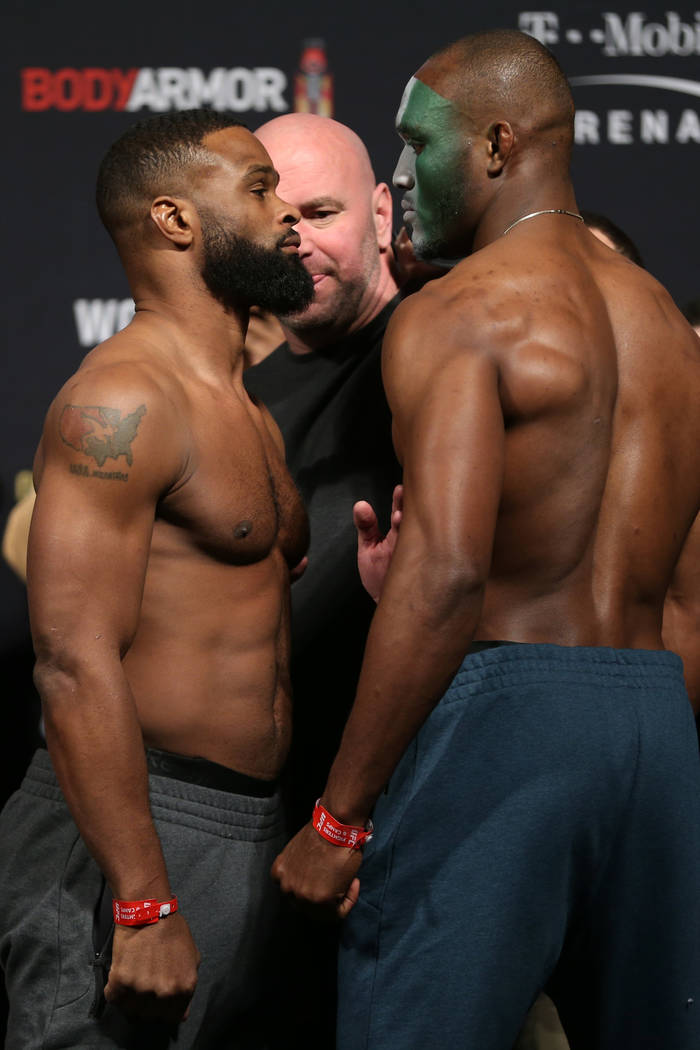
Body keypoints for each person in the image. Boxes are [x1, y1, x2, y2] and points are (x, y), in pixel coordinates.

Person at [272, 29, 700, 1050]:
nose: (403, 179)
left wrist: (338, 821)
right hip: (659, 727)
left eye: (419, 148)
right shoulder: (669, 331)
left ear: (500, 145)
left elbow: (447, 575)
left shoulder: (459, 313)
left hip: (508, 711)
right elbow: (688, 602)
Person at [0, 108, 315, 1050]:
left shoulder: (244, 405)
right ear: (176, 221)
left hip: (239, 824)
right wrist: (141, 899)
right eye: (260, 189)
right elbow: (70, 663)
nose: (287, 211)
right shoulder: (122, 399)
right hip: (125, 832)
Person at [241, 112, 402, 1049]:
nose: (294, 238)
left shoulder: (440, 347)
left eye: (323, 210)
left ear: (383, 212)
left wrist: (353, 823)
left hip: (397, 817)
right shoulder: (247, 396)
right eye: (274, 216)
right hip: (271, 831)